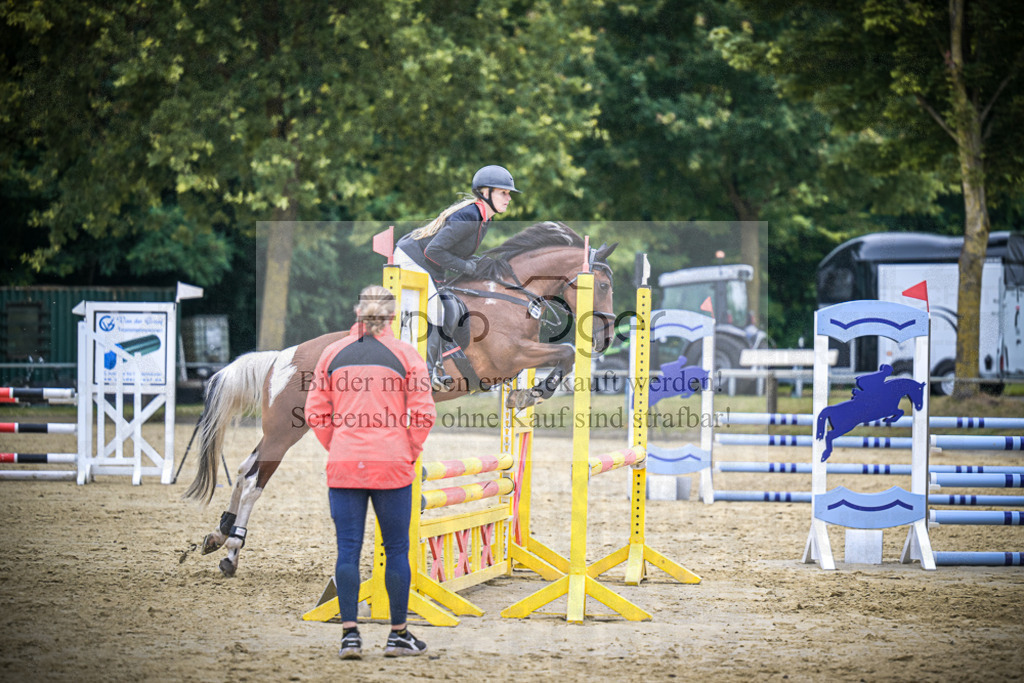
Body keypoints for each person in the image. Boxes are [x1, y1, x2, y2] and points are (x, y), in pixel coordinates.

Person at [304, 285, 437, 660]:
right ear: (392, 317)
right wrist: (408, 450)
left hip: (344, 463)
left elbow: (316, 411)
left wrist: (339, 445)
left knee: (347, 549)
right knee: (396, 549)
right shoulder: (406, 354)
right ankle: (398, 635)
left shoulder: (332, 353)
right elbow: (424, 413)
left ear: (357, 312)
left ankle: (349, 635)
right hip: (392, 464)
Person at [394, 165, 521, 389]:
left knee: (452, 307)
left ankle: (438, 364)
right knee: (438, 310)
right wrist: (468, 267)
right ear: (485, 192)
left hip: (430, 266)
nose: (508, 198)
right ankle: (428, 372)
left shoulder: (484, 220)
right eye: (503, 192)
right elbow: (433, 251)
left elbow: (450, 253)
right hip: (411, 260)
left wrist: (477, 264)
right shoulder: (470, 217)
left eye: (508, 193)